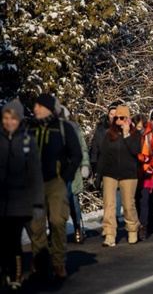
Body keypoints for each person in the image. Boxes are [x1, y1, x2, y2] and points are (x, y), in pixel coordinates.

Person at [28, 93, 82, 281]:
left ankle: (59, 262)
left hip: (56, 182)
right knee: (36, 226)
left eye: (39, 106)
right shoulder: (30, 128)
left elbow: (76, 155)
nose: (36, 109)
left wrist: (65, 177)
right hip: (34, 185)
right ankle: (40, 261)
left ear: (49, 108)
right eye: (35, 106)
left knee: (58, 222)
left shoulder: (63, 128)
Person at [1, 99, 44, 291]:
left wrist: (37, 203)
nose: (9, 122)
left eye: (13, 118)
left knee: (16, 238)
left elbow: (35, 173)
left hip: (21, 201)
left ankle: (17, 274)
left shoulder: (27, 141)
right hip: (2, 200)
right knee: (6, 239)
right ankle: (7, 272)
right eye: (6, 117)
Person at [99, 105, 142, 246]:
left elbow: (136, 151)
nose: (118, 120)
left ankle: (132, 229)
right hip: (110, 173)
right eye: (116, 118)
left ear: (127, 119)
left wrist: (127, 134)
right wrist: (99, 174)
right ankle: (109, 234)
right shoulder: (108, 134)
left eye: (122, 118)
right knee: (109, 205)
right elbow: (103, 154)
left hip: (128, 173)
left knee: (128, 204)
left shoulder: (135, 134)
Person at [57, 105, 90, 245]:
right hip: (57, 172)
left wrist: (85, 165)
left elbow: (82, 148)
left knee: (74, 203)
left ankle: (77, 227)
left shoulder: (74, 130)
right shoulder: (52, 130)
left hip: (73, 171)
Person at [132, 113, 153, 241]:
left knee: (145, 200)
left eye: (141, 126)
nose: (139, 128)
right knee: (134, 201)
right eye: (137, 126)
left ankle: (143, 227)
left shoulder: (150, 136)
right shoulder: (130, 135)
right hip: (134, 173)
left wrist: (152, 165)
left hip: (148, 173)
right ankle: (136, 225)